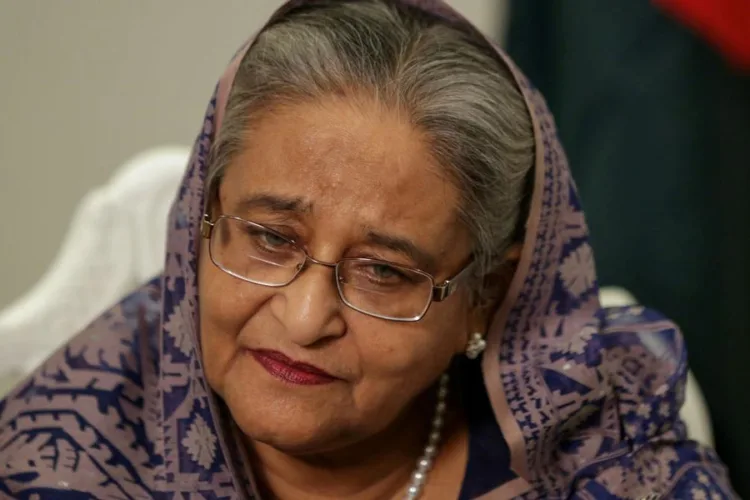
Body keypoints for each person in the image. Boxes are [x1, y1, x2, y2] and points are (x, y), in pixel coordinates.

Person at [0, 1, 736, 498]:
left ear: (484, 295)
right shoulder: (67, 452)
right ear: (202, 218)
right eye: (270, 237)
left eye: (384, 271)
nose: (304, 317)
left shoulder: (608, 443)